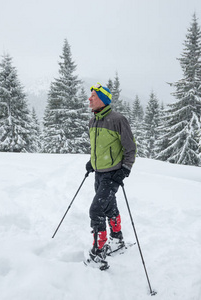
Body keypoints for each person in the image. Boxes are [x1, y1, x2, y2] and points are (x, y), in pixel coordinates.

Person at [85, 83, 137, 265]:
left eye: (94, 96)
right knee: (108, 207)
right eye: (90, 95)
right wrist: (92, 162)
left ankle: (98, 253)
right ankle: (117, 239)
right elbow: (98, 147)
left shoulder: (118, 120)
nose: (89, 98)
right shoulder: (93, 121)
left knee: (96, 210)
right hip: (99, 174)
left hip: (113, 175)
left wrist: (125, 170)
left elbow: (130, 148)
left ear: (104, 100)